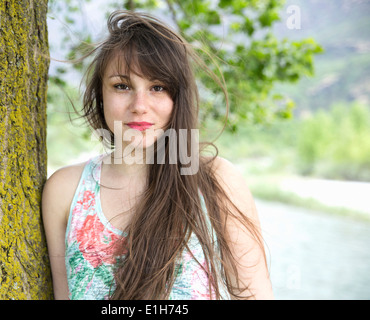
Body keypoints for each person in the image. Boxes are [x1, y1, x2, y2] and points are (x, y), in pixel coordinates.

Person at [42, 10, 274, 300]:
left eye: (158, 87)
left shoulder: (215, 181)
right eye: (122, 86)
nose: (140, 105)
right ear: (100, 95)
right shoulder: (65, 190)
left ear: (178, 98)